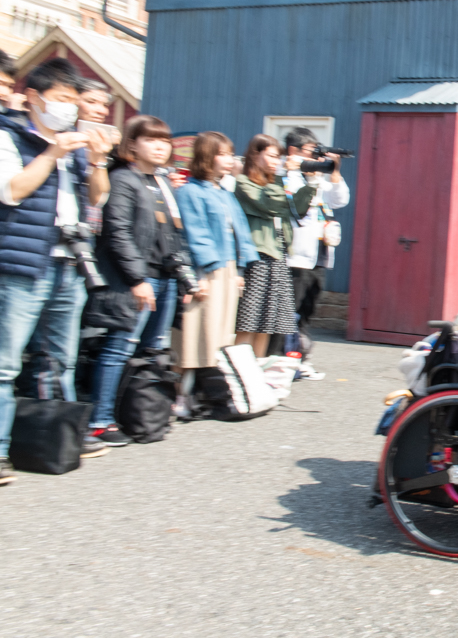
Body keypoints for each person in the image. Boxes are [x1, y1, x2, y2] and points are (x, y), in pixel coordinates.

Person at [0, 58, 114, 481]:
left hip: (70, 263)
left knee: (61, 361)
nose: (69, 109)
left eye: (73, 101)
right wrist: (51, 152)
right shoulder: (11, 136)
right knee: (6, 364)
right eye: (62, 99)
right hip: (24, 264)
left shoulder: (75, 145)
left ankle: (60, 438)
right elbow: (12, 190)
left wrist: (98, 161)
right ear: (33, 98)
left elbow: (97, 200)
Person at [83, 116, 188, 446]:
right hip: (137, 280)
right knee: (118, 348)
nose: (160, 146)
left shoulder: (162, 182)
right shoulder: (123, 179)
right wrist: (136, 278)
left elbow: (172, 234)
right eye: (151, 140)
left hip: (165, 279)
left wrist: (183, 279)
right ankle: (100, 420)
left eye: (165, 140)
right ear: (131, 145)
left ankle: (138, 414)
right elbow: (118, 234)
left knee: (149, 352)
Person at [175, 132, 259, 415]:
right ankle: (183, 394)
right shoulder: (190, 191)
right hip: (206, 269)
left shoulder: (223, 193)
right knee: (200, 332)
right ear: (206, 156)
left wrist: (241, 266)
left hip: (228, 268)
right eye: (222, 154)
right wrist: (206, 271)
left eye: (230, 153)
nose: (229, 160)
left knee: (221, 334)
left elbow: (241, 232)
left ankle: (208, 392)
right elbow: (195, 234)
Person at [233, 134, 315, 357]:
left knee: (268, 324)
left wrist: (312, 183)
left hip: (278, 255)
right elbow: (268, 205)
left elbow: (296, 210)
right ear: (254, 154)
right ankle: (239, 371)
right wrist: (284, 174)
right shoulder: (243, 182)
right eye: (271, 155)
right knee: (249, 321)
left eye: (278, 157)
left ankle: (257, 372)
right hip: (257, 256)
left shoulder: (275, 182)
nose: (276, 161)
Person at [278, 128, 350, 368]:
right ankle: (284, 358)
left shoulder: (315, 175)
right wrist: (308, 175)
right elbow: (295, 205)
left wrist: (334, 170)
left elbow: (340, 199)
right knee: (290, 309)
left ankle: (300, 357)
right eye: (312, 150)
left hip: (320, 253)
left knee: (309, 308)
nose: (317, 156)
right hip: (296, 256)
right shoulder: (286, 173)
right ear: (293, 151)